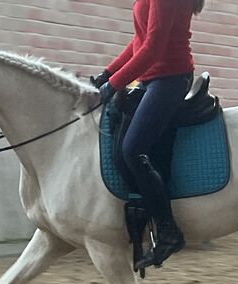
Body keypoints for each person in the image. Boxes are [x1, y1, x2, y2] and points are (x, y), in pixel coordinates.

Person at [91, 0, 205, 269]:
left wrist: (113, 84)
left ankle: (168, 231)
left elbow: (153, 48)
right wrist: (107, 74)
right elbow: (140, 40)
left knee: (133, 149)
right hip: (153, 78)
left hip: (171, 78)